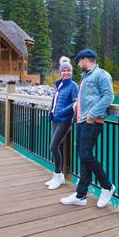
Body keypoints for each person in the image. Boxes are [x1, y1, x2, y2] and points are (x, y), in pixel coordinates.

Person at [60, 49, 114, 207]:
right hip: (81, 120)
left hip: (92, 120)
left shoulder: (101, 74)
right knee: (84, 156)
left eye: (79, 60)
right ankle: (81, 195)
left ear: (86, 59)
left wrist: (92, 114)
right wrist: (77, 102)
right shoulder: (86, 77)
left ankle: (107, 186)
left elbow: (109, 96)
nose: (77, 64)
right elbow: (88, 96)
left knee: (85, 154)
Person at [46, 56, 78, 190]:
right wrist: (51, 112)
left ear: (71, 72)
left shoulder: (73, 86)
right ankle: (58, 176)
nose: (66, 73)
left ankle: (58, 175)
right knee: (57, 147)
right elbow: (54, 101)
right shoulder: (58, 85)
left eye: (68, 71)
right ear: (60, 72)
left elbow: (75, 103)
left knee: (53, 147)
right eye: (64, 71)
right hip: (55, 119)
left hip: (64, 120)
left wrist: (61, 112)